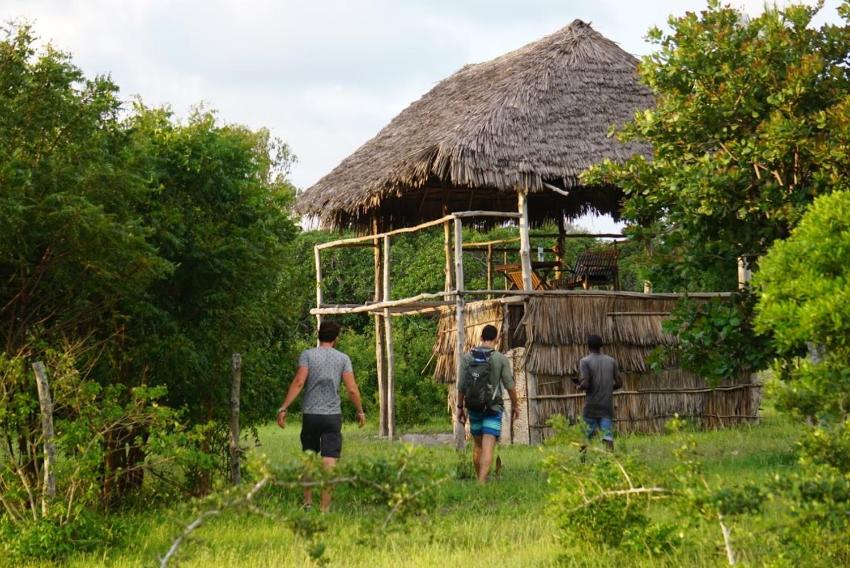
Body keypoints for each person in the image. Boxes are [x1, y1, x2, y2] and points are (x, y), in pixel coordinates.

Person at [277, 320, 365, 512]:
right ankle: (324, 509)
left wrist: (284, 407)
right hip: (332, 416)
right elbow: (351, 389)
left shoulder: (307, 355)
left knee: (309, 457)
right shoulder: (343, 359)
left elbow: (299, 382)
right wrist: (360, 411)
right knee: (329, 462)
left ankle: (308, 503)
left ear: (319, 335)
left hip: (311, 415)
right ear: (336, 338)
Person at [456, 324, 519, 484]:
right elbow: (509, 385)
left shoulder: (467, 358)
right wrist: (515, 405)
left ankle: (480, 479)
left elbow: (461, 386)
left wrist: (460, 408)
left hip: (474, 407)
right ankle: (481, 483)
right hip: (493, 408)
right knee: (488, 445)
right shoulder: (500, 359)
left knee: (478, 445)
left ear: (481, 338)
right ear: (496, 339)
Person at [576, 334, 621, 451]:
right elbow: (619, 383)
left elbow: (586, 384)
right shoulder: (611, 361)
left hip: (591, 407)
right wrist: (607, 388)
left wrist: (579, 386)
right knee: (607, 436)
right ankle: (610, 459)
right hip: (606, 407)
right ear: (601, 346)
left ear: (588, 346)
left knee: (585, 437)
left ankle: (583, 460)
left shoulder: (585, 361)